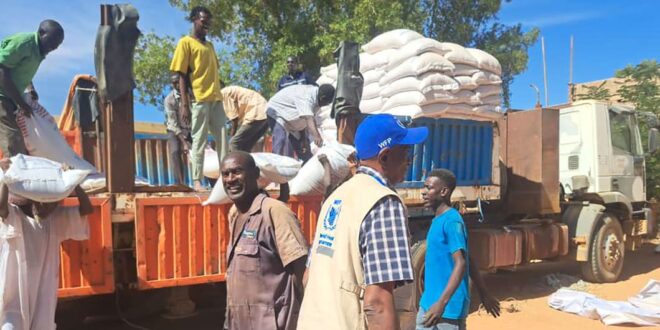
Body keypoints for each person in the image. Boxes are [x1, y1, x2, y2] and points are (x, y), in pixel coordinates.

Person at [298, 114, 429, 330]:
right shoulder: (384, 202)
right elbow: (377, 302)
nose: (409, 160)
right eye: (405, 152)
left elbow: (308, 277)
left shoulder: (335, 198)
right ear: (385, 157)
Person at [0, 158, 93, 329]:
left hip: (42, 292)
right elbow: (1, 208)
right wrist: (6, 179)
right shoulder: (16, 217)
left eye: (53, 205)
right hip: (16, 295)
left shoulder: (55, 219)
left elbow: (87, 210)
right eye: (47, 204)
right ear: (35, 201)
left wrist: (75, 183)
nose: (51, 209)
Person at [221, 151, 308, 330]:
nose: (230, 179)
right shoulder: (234, 214)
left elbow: (303, 273)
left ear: (255, 174)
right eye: (225, 173)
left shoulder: (274, 212)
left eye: (237, 171)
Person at [418, 169, 500, 330]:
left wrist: (441, 304)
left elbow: (461, 263)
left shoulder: (452, 221)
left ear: (443, 191)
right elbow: (468, 259)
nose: (424, 192)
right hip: (428, 304)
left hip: (447, 311)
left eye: (429, 188)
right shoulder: (437, 220)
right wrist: (484, 292)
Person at [170, 6, 226, 191]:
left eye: (208, 22)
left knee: (223, 139)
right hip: (200, 100)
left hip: (216, 99)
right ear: (194, 20)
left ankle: (225, 178)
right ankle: (196, 181)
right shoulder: (185, 43)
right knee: (199, 140)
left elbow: (213, 72)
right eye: (203, 21)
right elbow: (182, 75)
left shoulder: (209, 46)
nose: (206, 25)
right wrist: (185, 105)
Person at [0, 20, 64, 157]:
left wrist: (31, 88)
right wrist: (21, 103)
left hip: (9, 98)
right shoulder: (24, 44)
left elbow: (21, 71)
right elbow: (1, 70)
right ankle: (16, 176)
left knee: (23, 142)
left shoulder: (38, 51)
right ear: (41, 33)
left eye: (58, 45)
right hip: (2, 97)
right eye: (53, 41)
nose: (55, 47)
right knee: (14, 141)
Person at [266, 84, 334, 162]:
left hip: (291, 119)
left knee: (304, 149)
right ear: (323, 98)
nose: (326, 105)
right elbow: (309, 118)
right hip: (278, 111)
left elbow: (304, 120)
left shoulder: (317, 100)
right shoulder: (306, 96)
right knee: (280, 139)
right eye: (327, 102)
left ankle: (308, 170)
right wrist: (317, 136)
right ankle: (275, 167)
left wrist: (303, 139)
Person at [220, 84, 268, 152]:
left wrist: (232, 137)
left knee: (233, 143)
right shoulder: (232, 90)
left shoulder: (223, 93)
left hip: (256, 113)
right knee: (245, 146)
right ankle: (247, 162)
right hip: (265, 113)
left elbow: (234, 119)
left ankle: (236, 162)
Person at [163, 73, 192, 184]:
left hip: (190, 129)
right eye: (174, 83)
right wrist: (184, 143)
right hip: (174, 130)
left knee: (200, 152)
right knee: (175, 152)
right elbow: (173, 123)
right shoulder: (169, 99)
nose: (177, 85)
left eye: (178, 82)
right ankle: (180, 183)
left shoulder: (191, 95)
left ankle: (211, 182)